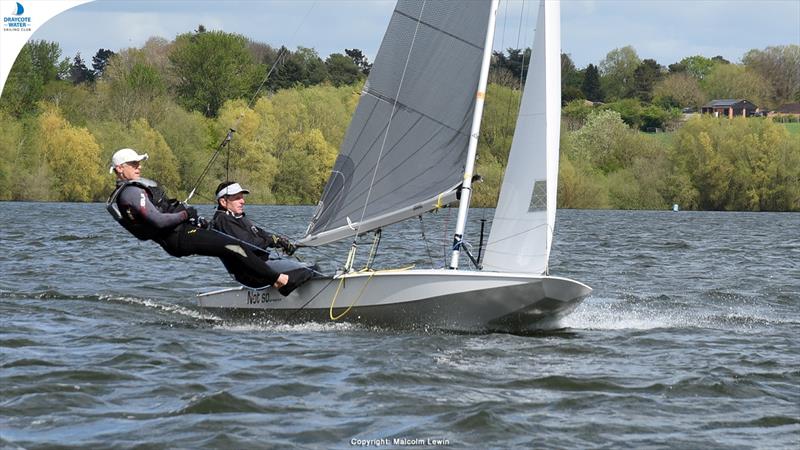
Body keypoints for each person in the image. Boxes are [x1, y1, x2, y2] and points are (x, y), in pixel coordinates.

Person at [105, 148, 290, 291]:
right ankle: (278, 280)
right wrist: (186, 214)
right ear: (120, 169)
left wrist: (193, 219)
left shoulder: (131, 191)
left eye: (139, 163)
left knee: (230, 248)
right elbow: (159, 221)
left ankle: (262, 278)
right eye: (134, 164)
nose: (139, 167)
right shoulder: (130, 193)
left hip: (182, 234)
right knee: (234, 247)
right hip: (179, 237)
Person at [211, 181, 316, 295]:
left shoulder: (237, 217)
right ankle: (286, 290)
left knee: (311, 267)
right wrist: (271, 240)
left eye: (242, 197)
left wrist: (280, 241)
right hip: (250, 273)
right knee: (309, 270)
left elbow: (261, 234)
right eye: (237, 198)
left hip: (260, 266)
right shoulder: (223, 220)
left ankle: (292, 291)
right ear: (223, 201)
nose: (243, 201)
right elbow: (247, 244)